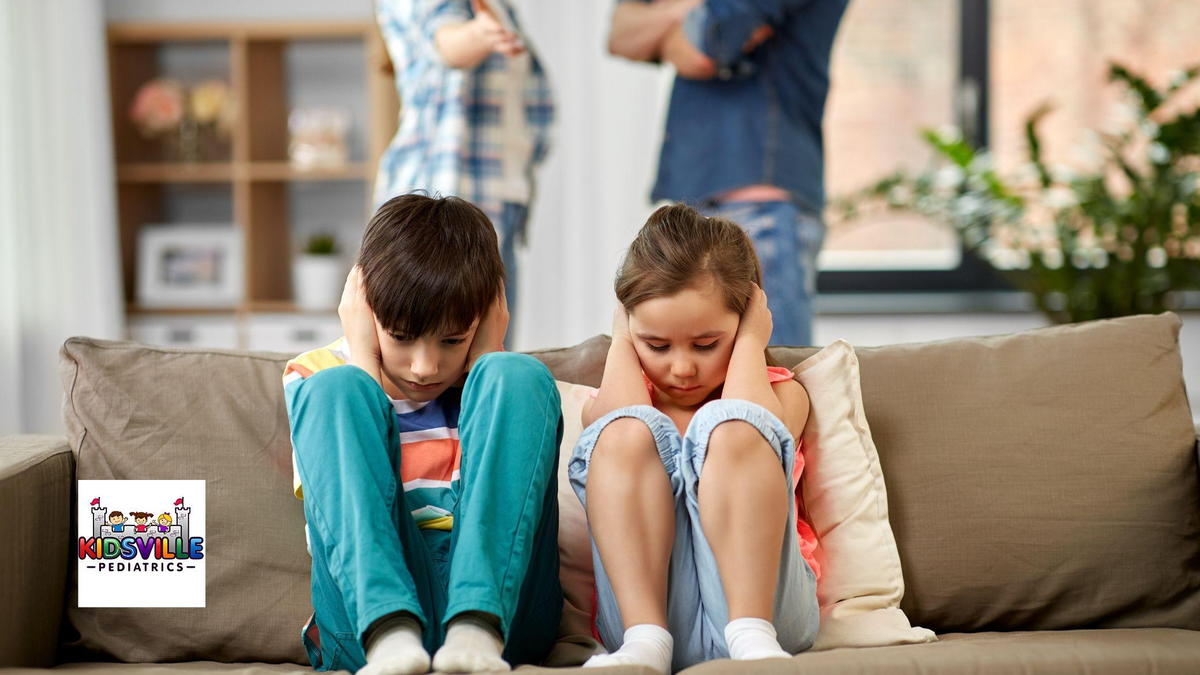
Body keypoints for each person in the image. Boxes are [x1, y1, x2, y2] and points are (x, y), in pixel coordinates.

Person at [283, 194, 563, 675]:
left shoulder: (500, 388)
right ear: (364, 310)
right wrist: (365, 362)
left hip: (504, 617)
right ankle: (389, 633)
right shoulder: (316, 378)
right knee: (338, 390)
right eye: (401, 338)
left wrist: (488, 362)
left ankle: (476, 627)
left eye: (452, 340)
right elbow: (347, 513)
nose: (425, 366)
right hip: (362, 617)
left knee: (518, 376)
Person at [569, 204, 821, 673]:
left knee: (731, 426)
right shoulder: (619, 404)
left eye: (706, 345)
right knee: (626, 431)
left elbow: (753, 421)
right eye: (655, 345)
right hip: (647, 622)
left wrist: (750, 342)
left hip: (768, 616)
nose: (682, 368)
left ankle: (750, 631)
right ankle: (646, 641)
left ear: (747, 316)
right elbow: (618, 423)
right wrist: (622, 342)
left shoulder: (783, 394)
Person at [609, 0, 849, 346]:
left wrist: (664, 30)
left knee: (772, 380)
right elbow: (620, 35)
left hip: (760, 209)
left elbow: (701, 49)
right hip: (718, 204)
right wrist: (689, 11)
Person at [374, 0, 554, 346]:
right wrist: (478, 34)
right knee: (448, 360)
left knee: (487, 358)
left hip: (500, 202)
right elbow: (447, 41)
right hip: (440, 208)